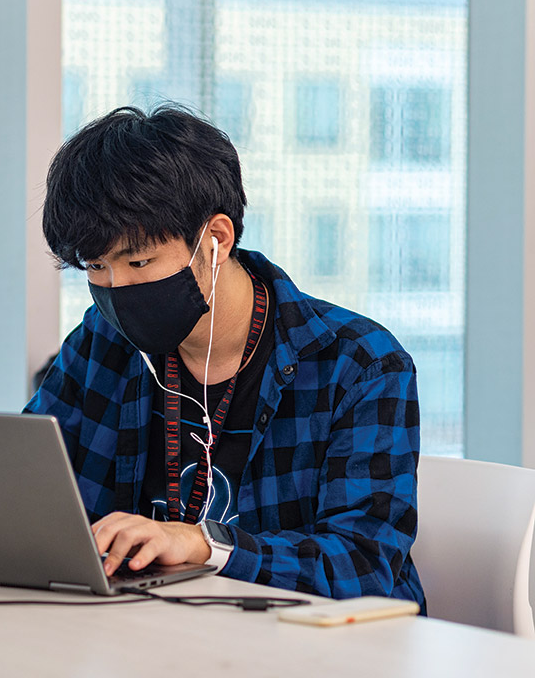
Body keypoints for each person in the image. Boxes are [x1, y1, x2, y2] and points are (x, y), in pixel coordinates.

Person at [25, 104, 424, 609]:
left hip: (314, 645)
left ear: (215, 238)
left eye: (139, 260)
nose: (116, 288)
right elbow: (31, 491)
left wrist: (205, 545)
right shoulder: (105, 342)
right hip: (144, 632)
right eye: (97, 267)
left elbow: (363, 565)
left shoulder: (359, 365)